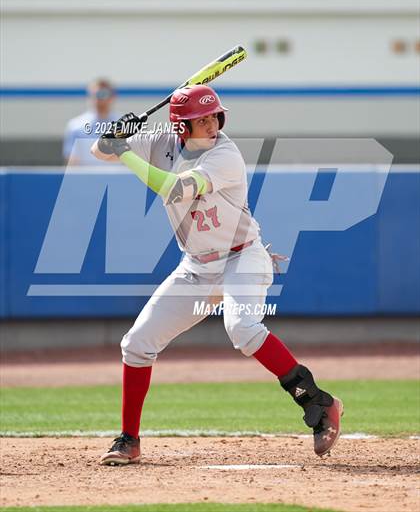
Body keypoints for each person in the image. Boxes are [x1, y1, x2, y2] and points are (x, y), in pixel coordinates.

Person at [91, 84, 343, 466]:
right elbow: (98, 150)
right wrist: (115, 134)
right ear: (181, 126)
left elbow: (175, 190)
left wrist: (124, 151)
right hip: (196, 266)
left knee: (241, 328)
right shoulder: (161, 142)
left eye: (214, 116)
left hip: (242, 258)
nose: (211, 124)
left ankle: (317, 401)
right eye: (201, 119)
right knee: (136, 344)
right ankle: (129, 439)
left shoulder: (225, 154)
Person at [63, 78, 117, 165]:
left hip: (117, 178)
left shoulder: (125, 125)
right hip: (86, 178)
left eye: (103, 94)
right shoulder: (75, 126)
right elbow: (72, 160)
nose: (98, 99)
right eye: (94, 94)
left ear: (112, 97)